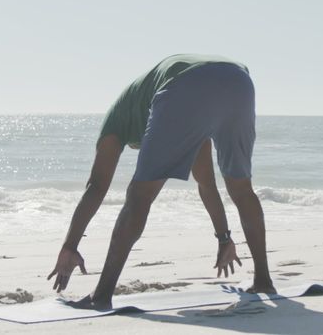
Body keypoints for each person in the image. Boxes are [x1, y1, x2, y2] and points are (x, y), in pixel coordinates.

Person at [47, 54, 276, 309]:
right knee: (242, 189)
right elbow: (206, 184)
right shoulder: (179, 118)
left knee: (139, 195)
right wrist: (223, 239)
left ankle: (100, 296)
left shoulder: (116, 120)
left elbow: (97, 186)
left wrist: (70, 245)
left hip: (186, 82)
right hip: (239, 83)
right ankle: (264, 280)